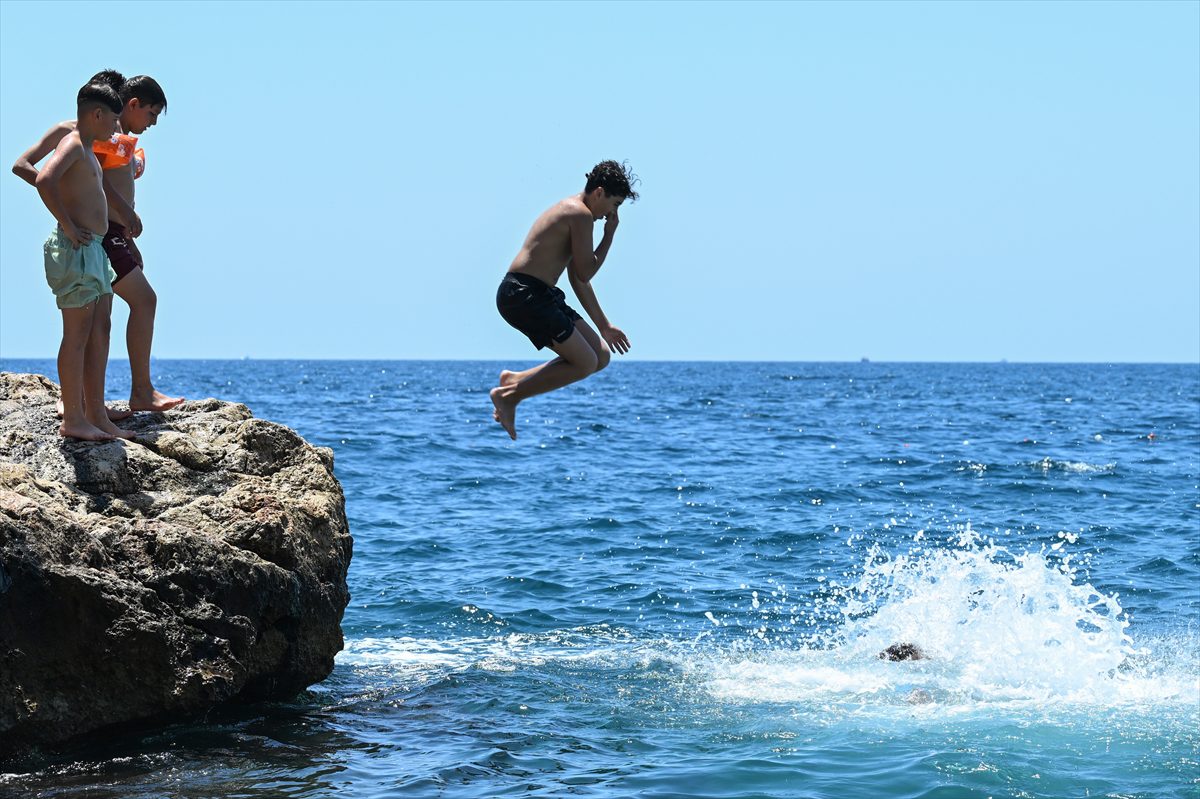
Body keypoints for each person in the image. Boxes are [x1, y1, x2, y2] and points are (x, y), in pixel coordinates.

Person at [13, 71, 183, 415]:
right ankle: (136, 392)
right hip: (100, 237)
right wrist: (73, 210)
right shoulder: (89, 136)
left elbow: (96, 182)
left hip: (111, 235)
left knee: (99, 323)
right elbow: (96, 184)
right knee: (139, 303)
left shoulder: (104, 136)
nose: (151, 123)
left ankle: (91, 405)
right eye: (150, 114)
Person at [490, 160, 639, 440]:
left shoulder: (578, 214)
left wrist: (604, 326)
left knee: (601, 356)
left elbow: (578, 279)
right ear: (599, 193)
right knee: (584, 363)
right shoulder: (579, 214)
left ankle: (514, 381)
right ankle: (508, 397)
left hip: (540, 294)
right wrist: (609, 236)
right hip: (523, 294)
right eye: (614, 204)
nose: (612, 214)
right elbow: (586, 270)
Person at [34, 82, 131, 441]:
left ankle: (96, 414)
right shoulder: (74, 143)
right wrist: (69, 224)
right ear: (97, 114)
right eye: (114, 121)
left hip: (94, 252)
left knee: (99, 329)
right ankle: (72, 418)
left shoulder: (89, 148)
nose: (116, 129)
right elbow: (45, 178)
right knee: (76, 335)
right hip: (77, 250)